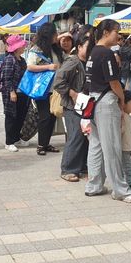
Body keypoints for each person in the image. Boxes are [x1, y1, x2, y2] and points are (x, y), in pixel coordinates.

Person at [84, 19, 131, 202]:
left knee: (96, 145)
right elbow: (113, 82)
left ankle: (94, 185)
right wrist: (121, 99)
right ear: (106, 32)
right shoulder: (106, 53)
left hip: (93, 102)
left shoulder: (93, 52)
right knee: (111, 146)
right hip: (106, 103)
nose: (118, 36)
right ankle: (120, 189)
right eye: (116, 32)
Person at [53, 34, 91, 182]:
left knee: (84, 136)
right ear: (79, 47)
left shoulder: (87, 61)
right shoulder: (73, 61)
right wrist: (72, 93)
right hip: (72, 106)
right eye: (87, 47)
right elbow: (58, 81)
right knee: (75, 136)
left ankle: (81, 167)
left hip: (85, 105)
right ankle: (68, 168)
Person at [26, 23, 64, 156]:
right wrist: (47, 67)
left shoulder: (56, 49)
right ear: (48, 35)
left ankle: (46, 143)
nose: (57, 36)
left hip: (55, 89)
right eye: (55, 34)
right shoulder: (36, 49)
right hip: (42, 90)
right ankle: (41, 145)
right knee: (45, 117)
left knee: (52, 116)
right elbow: (30, 67)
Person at [1, 35, 31, 152]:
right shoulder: (9, 59)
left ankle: (16, 137)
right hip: (12, 93)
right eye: (22, 45)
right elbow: (6, 79)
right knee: (11, 117)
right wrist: (12, 92)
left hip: (23, 92)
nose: (24, 47)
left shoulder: (21, 60)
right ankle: (9, 142)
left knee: (20, 116)